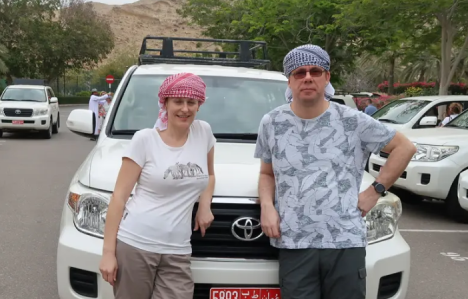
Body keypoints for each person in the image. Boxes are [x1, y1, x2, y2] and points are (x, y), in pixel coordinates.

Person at [254, 44, 417, 299]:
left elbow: (404, 148)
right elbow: (267, 173)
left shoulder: (352, 120)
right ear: (290, 80)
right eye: (299, 72)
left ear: (326, 77)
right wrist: (267, 205)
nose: (307, 77)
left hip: (345, 241)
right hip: (294, 241)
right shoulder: (271, 122)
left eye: (315, 71)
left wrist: (376, 191)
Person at [99, 72, 216, 299]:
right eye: (178, 102)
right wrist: (108, 253)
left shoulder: (204, 132)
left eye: (191, 102)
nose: (185, 108)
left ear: (199, 105)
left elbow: (209, 175)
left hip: (178, 250)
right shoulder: (145, 140)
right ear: (165, 103)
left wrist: (204, 205)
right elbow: (119, 197)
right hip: (136, 244)